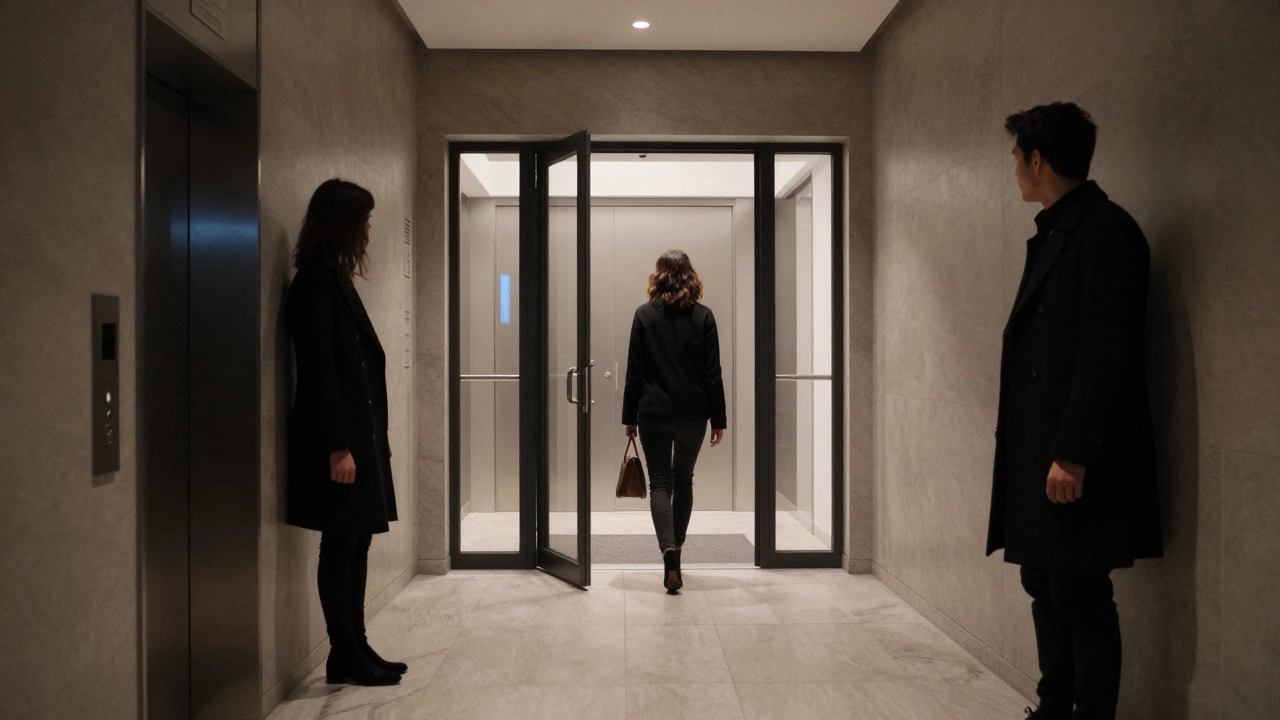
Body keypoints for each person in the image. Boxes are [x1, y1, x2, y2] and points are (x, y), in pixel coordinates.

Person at [988, 103, 1162, 720]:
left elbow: (1105, 354)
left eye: (1016, 157)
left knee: (1081, 593)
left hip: (1074, 455)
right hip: (1045, 448)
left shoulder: (1105, 232)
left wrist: (1072, 452)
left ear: (1037, 159)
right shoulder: (1063, 229)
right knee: (1043, 583)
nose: (1013, 169)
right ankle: (1052, 706)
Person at [287, 179, 405, 687]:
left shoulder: (335, 279)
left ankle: (355, 645)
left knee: (356, 543)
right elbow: (318, 373)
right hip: (339, 444)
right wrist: (340, 446)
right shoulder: (313, 284)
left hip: (359, 438)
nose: (369, 228)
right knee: (339, 544)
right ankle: (344, 652)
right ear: (342, 222)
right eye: (364, 218)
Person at [622, 250, 728, 595]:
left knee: (660, 483)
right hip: (693, 414)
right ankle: (677, 550)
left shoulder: (644, 316)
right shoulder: (704, 317)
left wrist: (629, 417)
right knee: (684, 481)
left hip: (653, 412)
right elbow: (713, 374)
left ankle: (667, 551)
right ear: (690, 275)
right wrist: (719, 419)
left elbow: (634, 372)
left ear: (659, 276)